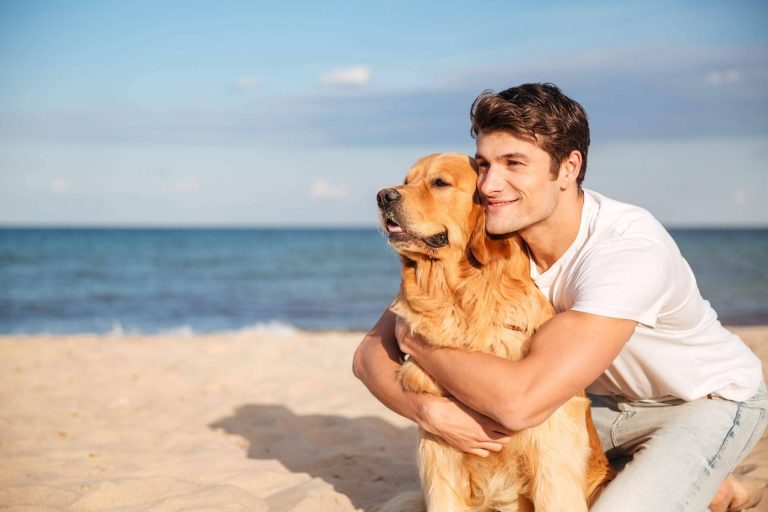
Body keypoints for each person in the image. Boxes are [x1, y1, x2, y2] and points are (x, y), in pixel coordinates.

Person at [352, 83, 768, 511]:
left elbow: (519, 404)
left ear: (568, 168)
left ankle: (720, 486)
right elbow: (367, 358)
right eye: (484, 165)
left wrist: (416, 341)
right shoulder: (495, 241)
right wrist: (426, 411)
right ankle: (677, 479)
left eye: (515, 163)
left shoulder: (626, 251)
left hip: (702, 400)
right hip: (599, 400)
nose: (491, 184)